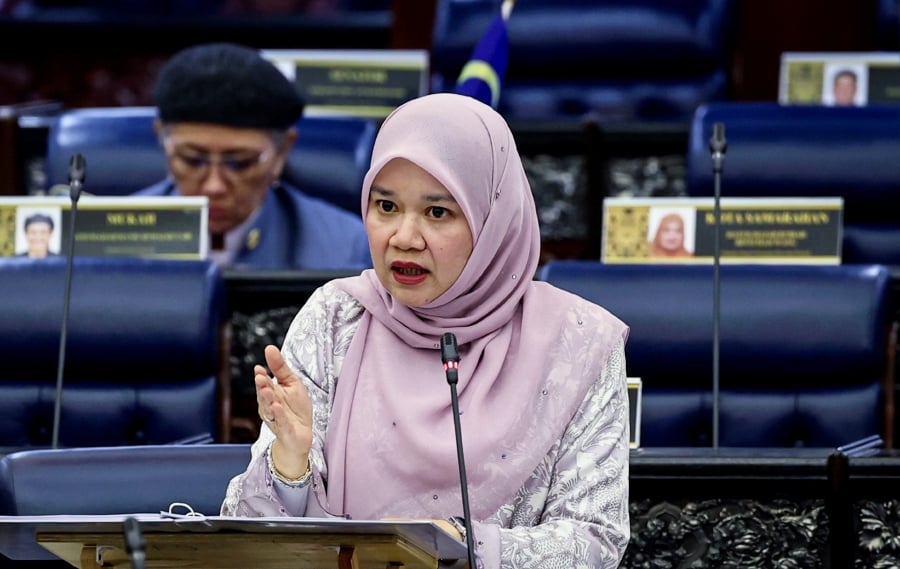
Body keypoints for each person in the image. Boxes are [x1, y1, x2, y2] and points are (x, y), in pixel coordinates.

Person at [221, 93, 631, 568]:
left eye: (437, 213)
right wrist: (289, 465)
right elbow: (251, 536)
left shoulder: (578, 341)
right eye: (386, 206)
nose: (403, 238)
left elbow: (595, 540)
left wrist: (458, 547)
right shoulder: (336, 317)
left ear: (493, 220)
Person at [135, 42, 371, 271]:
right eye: (193, 160)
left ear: (281, 152)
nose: (214, 187)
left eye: (240, 163)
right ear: (162, 141)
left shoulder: (347, 249)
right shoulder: (118, 238)